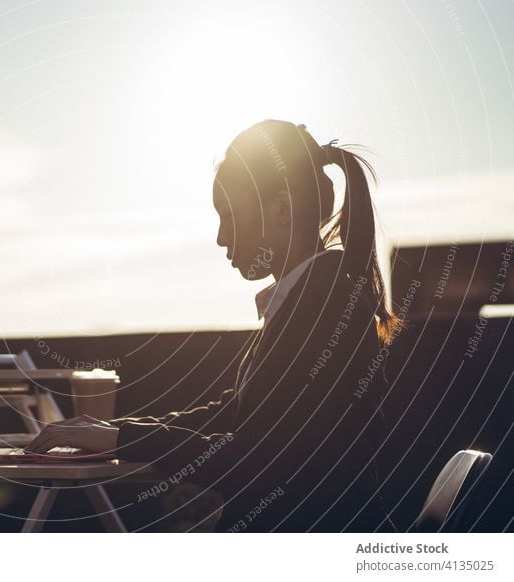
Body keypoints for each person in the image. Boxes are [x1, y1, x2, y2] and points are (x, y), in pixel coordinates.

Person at [26, 119, 403, 532]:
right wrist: (114, 431)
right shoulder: (312, 298)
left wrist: (121, 439)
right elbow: (235, 413)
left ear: (281, 208)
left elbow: (256, 459)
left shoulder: (321, 307)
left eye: (229, 215)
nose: (222, 238)